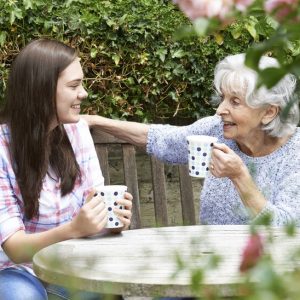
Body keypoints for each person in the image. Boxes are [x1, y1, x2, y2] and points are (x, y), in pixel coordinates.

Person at [82, 53, 300, 226]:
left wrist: (240, 176)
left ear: (269, 112)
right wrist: (96, 121)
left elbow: (284, 228)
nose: (220, 109)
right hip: (211, 261)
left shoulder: (294, 154)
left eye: (235, 102)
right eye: (222, 97)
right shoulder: (217, 130)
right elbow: (162, 139)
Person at [0, 39, 133, 300]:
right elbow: (16, 249)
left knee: (106, 294)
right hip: (15, 270)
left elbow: (92, 208)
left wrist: (110, 221)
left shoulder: (77, 132)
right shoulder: (2, 147)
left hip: (71, 263)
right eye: (74, 86)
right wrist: (75, 229)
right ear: (42, 90)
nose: (83, 93)